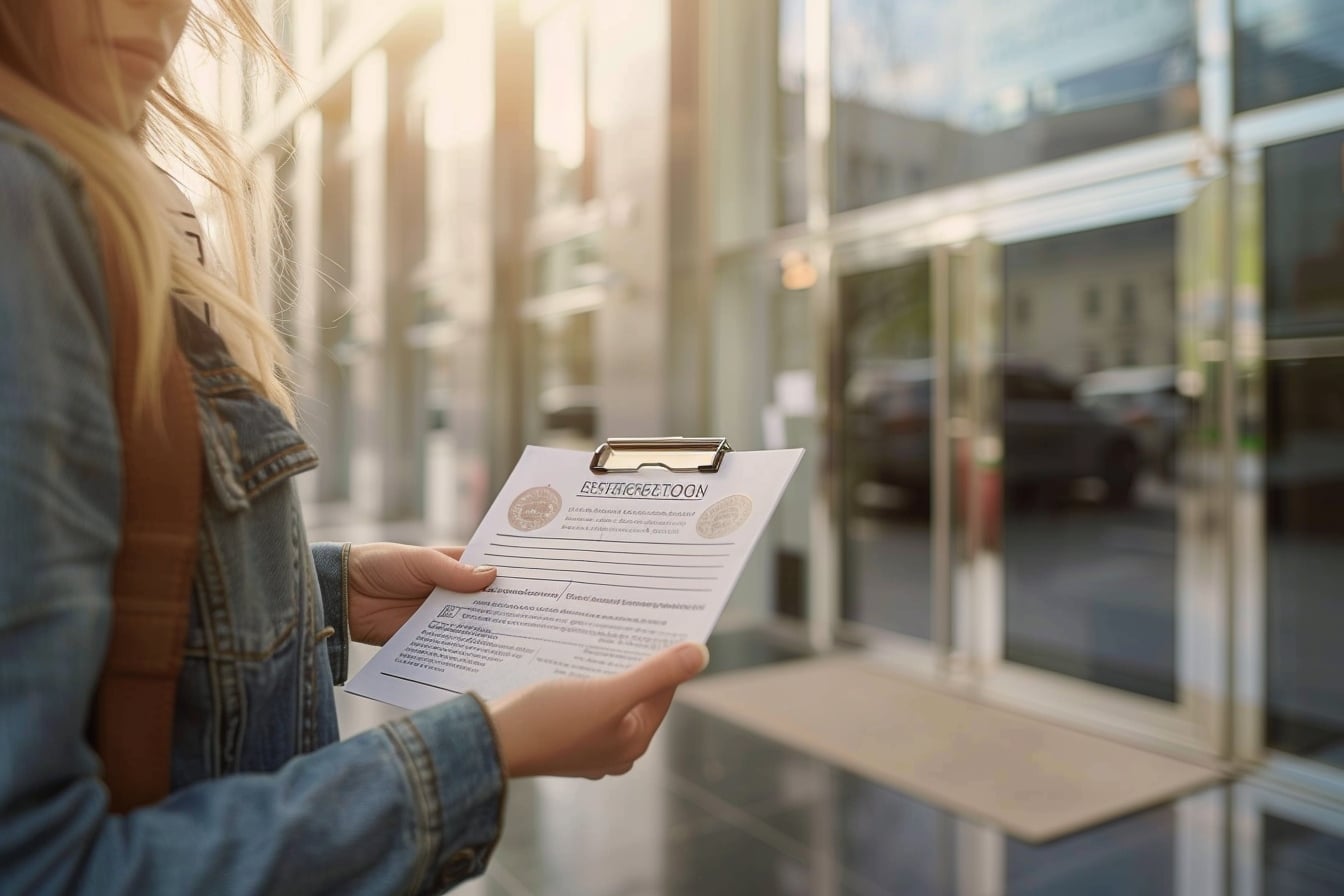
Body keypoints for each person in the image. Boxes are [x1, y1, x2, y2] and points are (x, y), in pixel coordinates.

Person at [0, 1, 709, 893]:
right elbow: (37, 869)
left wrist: (324, 589)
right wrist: (484, 750)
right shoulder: (26, 202)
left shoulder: (110, 190)